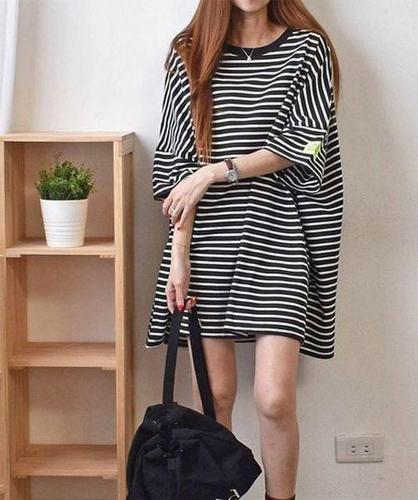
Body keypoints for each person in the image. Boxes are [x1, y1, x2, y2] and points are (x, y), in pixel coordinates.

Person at [146, 1, 344, 498]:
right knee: (214, 398)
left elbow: (307, 145)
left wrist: (218, 171)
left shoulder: (308, 49)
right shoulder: (189, 53)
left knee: (274, 398)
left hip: (278, 234)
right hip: (206, 237)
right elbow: (176, 168)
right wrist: (179, 255)